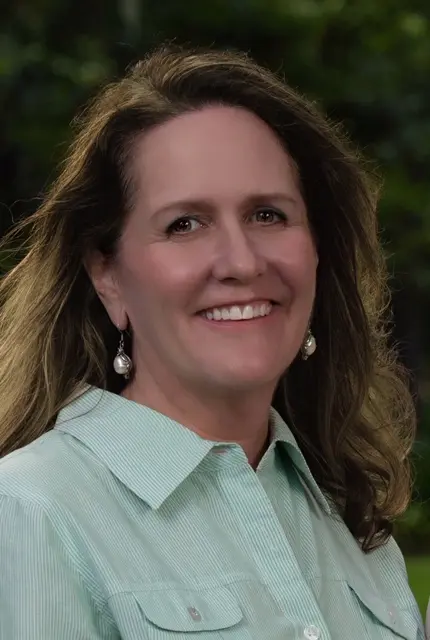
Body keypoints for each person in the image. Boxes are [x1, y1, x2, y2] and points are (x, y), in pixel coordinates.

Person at [0, 45, 424, 640]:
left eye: (269, 215)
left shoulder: (347, 519)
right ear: (108, 276)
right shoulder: (32, 512)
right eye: (185, 224)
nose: (241, 262)